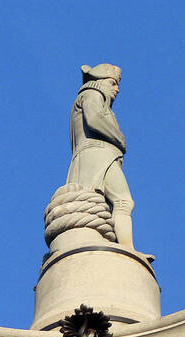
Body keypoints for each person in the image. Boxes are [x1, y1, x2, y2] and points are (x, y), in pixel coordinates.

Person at [66, 63, 135, 249]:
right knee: (123, 201)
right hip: (97, 154)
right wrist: (120, 139)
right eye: (113, 83)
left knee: (105, 205)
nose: (117, 89)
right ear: (100, 81)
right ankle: (127, 248)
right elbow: (95, 120)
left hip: (98, 155)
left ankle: (121, 246)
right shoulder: (91, 94)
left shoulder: (97, 99)